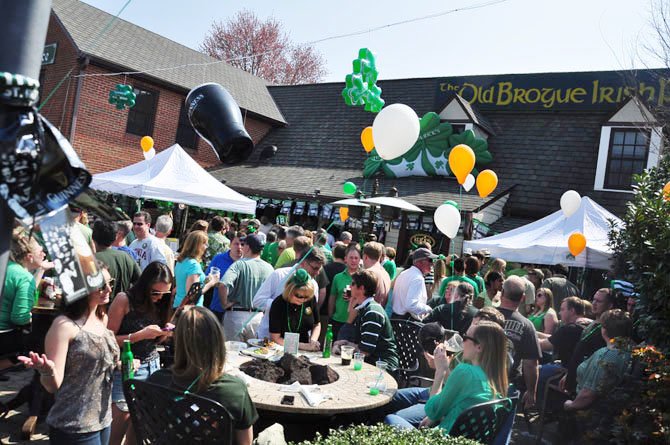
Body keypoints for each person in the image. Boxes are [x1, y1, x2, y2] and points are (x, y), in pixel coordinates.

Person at [19, 266, 119, 444]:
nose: (109, 289)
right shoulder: (64, 326)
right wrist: (47, 370)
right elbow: (52, 386)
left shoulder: (101, 317)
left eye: (110, 283)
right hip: (74, 424)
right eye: (101, 285)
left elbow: (99, 364)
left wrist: (120, 365)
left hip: (103, 419)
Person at [149, 307, 258, 445]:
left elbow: (133, 436)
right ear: (218, 341)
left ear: (178, 342)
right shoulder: (234, 391)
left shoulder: (156, 381)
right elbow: (245, 443)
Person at [385, 320, 508, 433]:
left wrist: (440, 371)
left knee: (390, 418)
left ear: (479, 347)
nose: (461, 340)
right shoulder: (497, 381)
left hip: (440, 438)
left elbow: (432, 410)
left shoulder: (466, 371)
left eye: (465, 337)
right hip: (460, 438)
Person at [107, 262, 173, 445]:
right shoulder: (124, 300)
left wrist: (162, 335)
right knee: (120, 422)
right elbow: (107, 339)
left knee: (140, 428)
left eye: (164, 293)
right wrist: (138, 336)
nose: (159, 297)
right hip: (127, 367)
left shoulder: (161, 303)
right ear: (144, 286)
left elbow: (153, 341)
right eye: (155, 292)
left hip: (152, 366)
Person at [0, 228, 51, 371]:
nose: (44, 254)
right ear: (29, 257)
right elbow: (19, 318)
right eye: (41, 251)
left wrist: (41, 269)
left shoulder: (6, 266)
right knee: (37, 338)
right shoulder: (23, 276)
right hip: (4, 335)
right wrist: (29, 317)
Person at [563, 309, 633, 412]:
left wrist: (571, 405)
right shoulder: (629, 350)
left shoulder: (607, 355)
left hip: (592, 413)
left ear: (604, 330)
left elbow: (588, 394)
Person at [253, 249, 325, 340]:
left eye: (320, 269)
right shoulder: (279, 274)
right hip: (270, 339)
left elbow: (312, 315)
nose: (318, 272)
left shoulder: (313, 284)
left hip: (299, 343)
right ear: (303, 263)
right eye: (315, 268)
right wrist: (281, 306)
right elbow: (258, 301)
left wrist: (312, 340)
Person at [334, 270, 399, 369]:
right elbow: (363, 347)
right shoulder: (364, 308)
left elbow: (365, 351)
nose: (350, 286)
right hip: (374, 361)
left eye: (353, 284)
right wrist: (344, 344)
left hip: (383, 365)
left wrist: (345, 347)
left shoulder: (372, 312)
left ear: (362, 289)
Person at [218, 234, 274, 341]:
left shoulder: (239, 264)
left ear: (248, 248)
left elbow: (223, 284)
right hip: (259, 318)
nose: (241, 247)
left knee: (232, 355)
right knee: (255, 355)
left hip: (236, 317)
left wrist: (224, 304)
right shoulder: (269, 268)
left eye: (243, 244)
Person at [498, 276, 541, 409]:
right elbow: (530, 364)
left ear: (502, 293)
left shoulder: (483, 316)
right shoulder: (527, 325)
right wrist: (531, 391)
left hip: (477, 380)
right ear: (522, 298)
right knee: (503, 427)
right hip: (507, 386)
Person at [560, 288, 614, 394]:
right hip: (574, 376)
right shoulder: (591, 324)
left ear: (610, 305)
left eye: (599, 301)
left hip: (586, 383)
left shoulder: (607, 329)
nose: (594, 303)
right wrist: (568, 373)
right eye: (594, 300)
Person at [269, 269, 321, 351]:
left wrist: (313, 341)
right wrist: (303, 346)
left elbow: (317, 324)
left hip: (306, 347)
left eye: (306, 297)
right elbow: (275, 338)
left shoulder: (311, 299)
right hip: (282, 348)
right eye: (299, 296)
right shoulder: (278, 303)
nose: (303, 300)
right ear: (289, 290)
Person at [93, 219, 141, 298]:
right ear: (115, 237)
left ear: (93, 237)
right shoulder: (126, 256)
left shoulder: (92, 260)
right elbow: (141, 281)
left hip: (101, 307)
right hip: (123, 305)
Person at [173, 230, 219, 308]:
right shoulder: (193, 265)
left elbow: (183, 283)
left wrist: (206, 280)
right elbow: (192, 296)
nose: (206, 246)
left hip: (178, 305)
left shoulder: (181, 261)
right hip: (189, 311)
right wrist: (212, 283)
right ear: (198, 246)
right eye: (205, 243)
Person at [391, 248, 437, 320]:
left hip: (395, 318)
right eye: (430, 260)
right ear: (420, 262)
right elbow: (411, 305)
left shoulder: (404, 273)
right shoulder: (417, 278)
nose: (432, 264)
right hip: (406, 322)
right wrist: (429, 309)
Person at [206, 231, 243, 321]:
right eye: (236, 244)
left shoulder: (247, 262)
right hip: (217, 308)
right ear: (230, 245)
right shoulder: (219, 258)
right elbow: (207, 278)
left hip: (238, 310)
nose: (239, 247)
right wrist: (218, 284)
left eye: (242, 244)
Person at [328, 244, 361, 340]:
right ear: (345, 259)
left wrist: (353, 298)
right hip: (337, 320)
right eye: (351, 258)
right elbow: (332, 298)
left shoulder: (363, 277)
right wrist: (331, 316)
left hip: (355, 322)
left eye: (356, 258)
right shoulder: (338, 277)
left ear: (360, 259)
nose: (353, 260)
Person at [362, 242, 391, 307]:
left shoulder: (368, 273)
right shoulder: (385, 273)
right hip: (380, 313)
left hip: (367, 314)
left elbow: (359, 302)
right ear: (380, 256)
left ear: (365, 256)